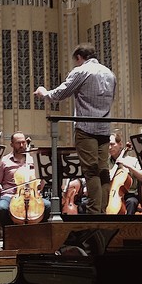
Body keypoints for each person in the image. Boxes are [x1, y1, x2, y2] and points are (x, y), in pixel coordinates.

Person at [34, 43, 116, 213]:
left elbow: (60, 94)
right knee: (103, 170)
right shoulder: (110, 74)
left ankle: (94, 213)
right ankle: (102, 211)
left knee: (91, 170)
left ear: (79, 57)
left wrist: (44, 93)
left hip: (86, 129)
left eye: (76, 61)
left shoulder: (81, 71)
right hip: (105, 129)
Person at [0, 132, 51, 228]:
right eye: (18, 143)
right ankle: (10, 234)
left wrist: (41, 183)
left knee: (48, 206)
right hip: (10, 195)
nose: (21, 145)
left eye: (23, 143)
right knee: (1, 208)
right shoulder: (4, 161)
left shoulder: (33, 160)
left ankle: (38, 233)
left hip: (32, 196)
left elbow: (41, 179)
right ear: (12, 144)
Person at [108, 133, 142, 215]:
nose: (109, 147)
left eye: (112, 144)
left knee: (132, 202)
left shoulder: (133, 161)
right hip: (110, 194)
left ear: (120, 144)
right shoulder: (105, 163)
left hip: (130, 194)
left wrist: (129, 167)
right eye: (108, 145)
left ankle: (128, 227)